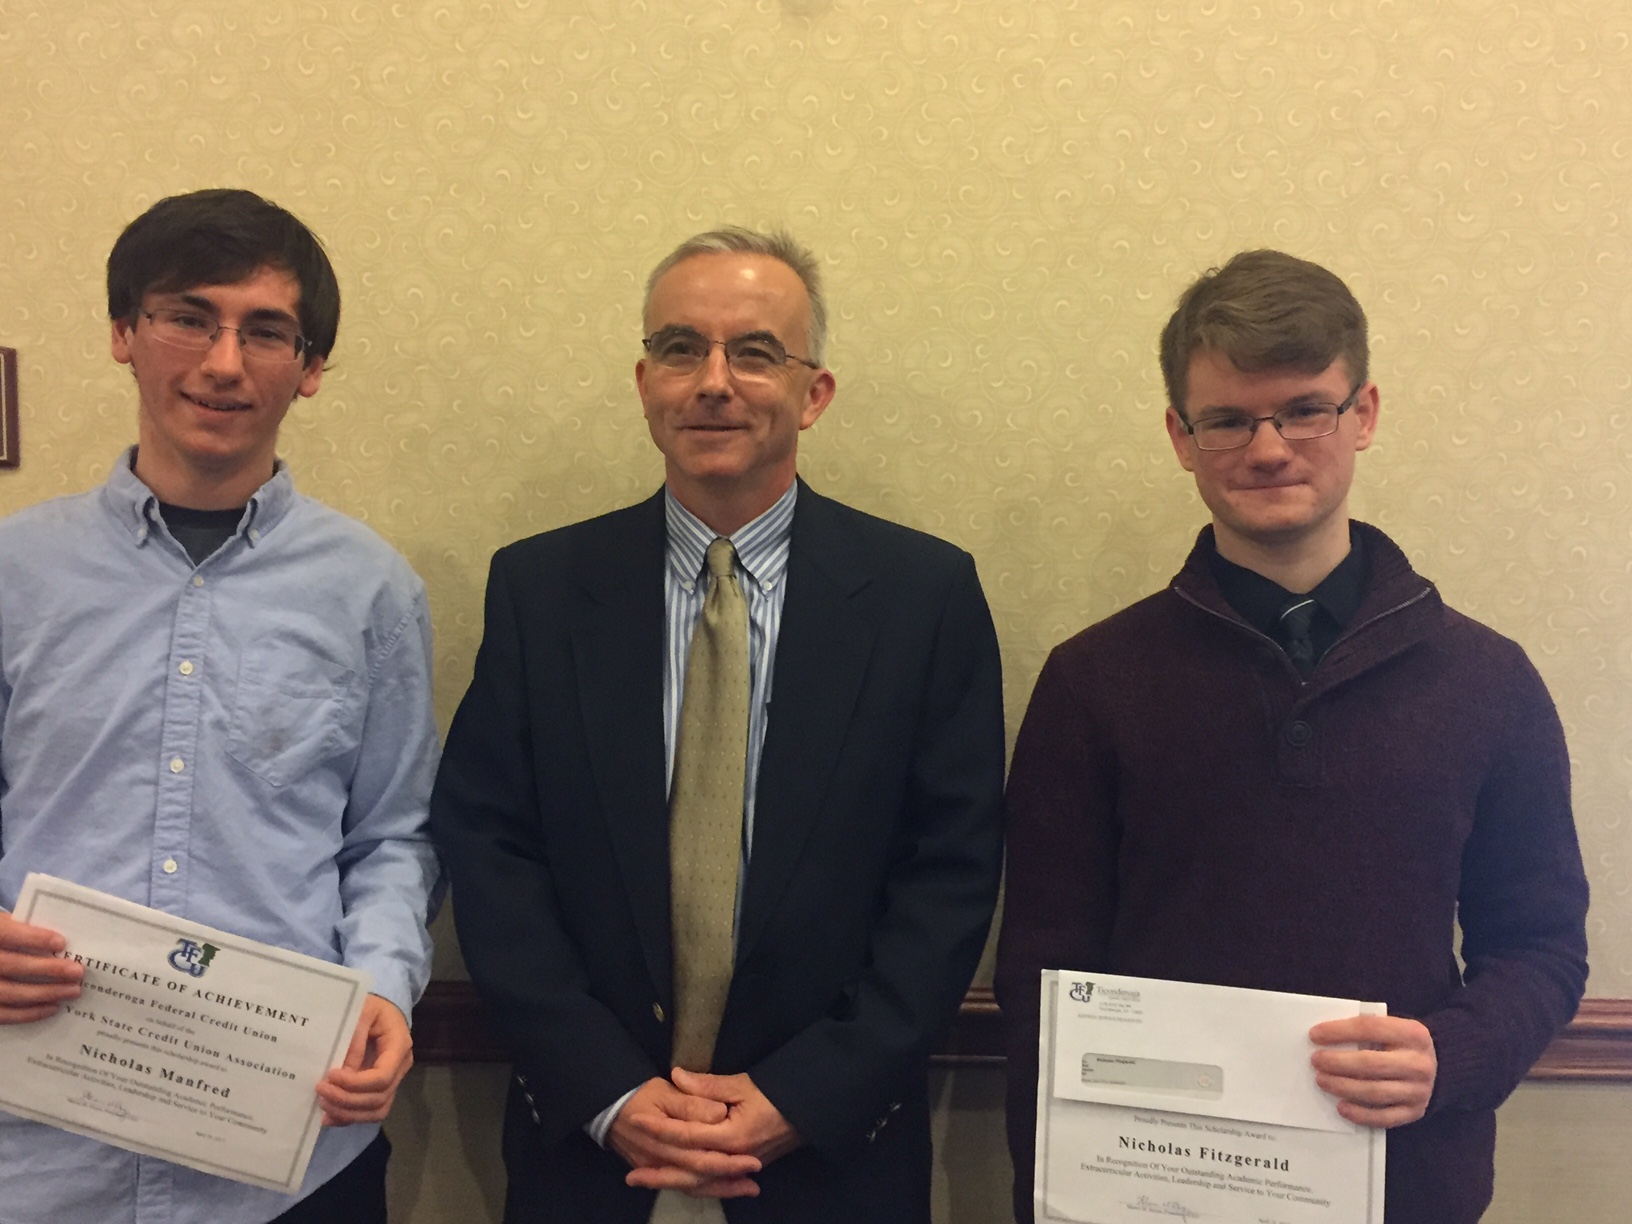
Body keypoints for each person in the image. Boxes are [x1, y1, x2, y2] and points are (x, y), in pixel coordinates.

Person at [995, 249, 1589, 1224]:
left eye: (1305, 408)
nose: (1269, 448)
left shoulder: (1487, 681)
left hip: (1403, 1187)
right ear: (1181, 437)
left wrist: (1457, 1055)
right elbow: (1042, 971)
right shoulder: (1093, 680)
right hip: (1144, 1195)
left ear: (1364, 414)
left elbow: (1541, 945)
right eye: (1228, 419)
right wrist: (1055, 1193)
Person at [430, 226, 1006, 1222]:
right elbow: (490, 850)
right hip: (592, 1152)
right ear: (645, 379)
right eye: (680, 348)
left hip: (829, 1160)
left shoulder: (924, 596)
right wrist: (605, 1089)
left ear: (813, 393)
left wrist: (806, 1095)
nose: (713, 381)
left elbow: (949, 874)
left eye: (755, 353)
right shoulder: (542, 589)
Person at [0, 189, 442, 1223]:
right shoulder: (14, 570)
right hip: (36, 1160)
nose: (223, 362)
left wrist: (383, 983)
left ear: (312, 368)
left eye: (266, 331)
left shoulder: (371, 591)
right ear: (124, 333)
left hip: (290, 1161)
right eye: (186, 316)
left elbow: (391, 838)